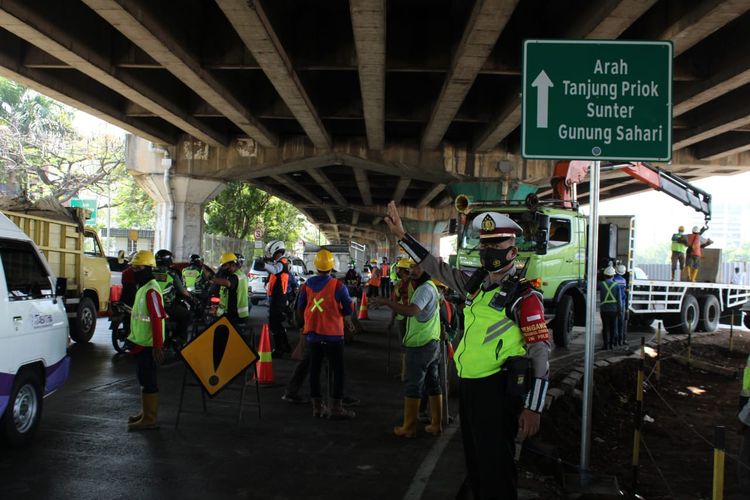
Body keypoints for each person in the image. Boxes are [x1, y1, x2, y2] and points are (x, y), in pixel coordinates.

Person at [384, 201, 550, 499]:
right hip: (471, 389)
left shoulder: (524, 297)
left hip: (498, 391)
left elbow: (540, 352)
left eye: (496, 243)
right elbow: (436, 267)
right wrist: (402, 236)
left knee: (496, 468)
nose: (489, 250)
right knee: (475, 465)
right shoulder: (476, 285)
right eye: (485, 244)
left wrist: (533, 406)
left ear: (513, 251)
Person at [373, 262, 443, 438]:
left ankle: (409, 427)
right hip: (431, 341)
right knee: (432, 383)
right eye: (410, 268)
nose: (412, 271)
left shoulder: (423, 289)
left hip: (420, 344)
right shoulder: (428, 287)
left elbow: (412, 311)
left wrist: (386, 302)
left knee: (413, 384)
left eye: (417, 267)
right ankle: (436, 424)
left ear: (427, 269)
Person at [298, 249, 356, 419]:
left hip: (313, 336)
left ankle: (317, 408)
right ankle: (336, 408)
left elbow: (301, 308)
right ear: (332, 267)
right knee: (337, 371)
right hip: (333, 336)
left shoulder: (306, 286)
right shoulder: (338, 286)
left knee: (314, 371)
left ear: (316, 267)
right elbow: (347, 308)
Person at [126, 250, 167, 431]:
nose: (134, 270)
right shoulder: (143, 288)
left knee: (148, 379)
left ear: (149, 268)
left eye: (138, 267)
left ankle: (150, 418)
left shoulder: (151, 290)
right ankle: (145, 412)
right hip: (141, 343)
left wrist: (158, 347)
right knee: (143, 378)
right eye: (133, 267)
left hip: (149, 345)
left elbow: (157, 318)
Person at [153, 249, 192, 346]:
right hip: (166, 306)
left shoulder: (150, 271)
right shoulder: (172, 274)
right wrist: (190, 296)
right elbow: (182, 291)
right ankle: (179, 338)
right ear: (168, 260)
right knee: (186, 315)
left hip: (151, 304)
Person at [211, 252, 250, 332]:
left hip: (236, 314)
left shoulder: (235, 276)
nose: (224, 269)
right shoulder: (235, 275)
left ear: (233, 264)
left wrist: (212, 279)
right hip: (232, 312)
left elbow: (228, 283)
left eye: (225, 266)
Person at [267, 256, 298, 356]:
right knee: (278, 323)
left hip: (281, 300)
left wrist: (290, 299)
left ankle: (280, 349)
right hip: (279, 299)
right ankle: (285, 347)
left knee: (275, 324)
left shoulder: (283, 271)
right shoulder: (277, 272)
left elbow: (294, 286)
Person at [598, 265, 623, 351]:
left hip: (604, 309)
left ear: (604, 275)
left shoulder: (601, 284)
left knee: (605, 327)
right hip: (614, 310)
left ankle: (605, 345)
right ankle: (611, 344)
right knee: (613, 328)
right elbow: (619, 300)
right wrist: (620, 311)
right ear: (613, 276)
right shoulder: (617, 286)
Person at [613, 264, 628, 348]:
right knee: (621, 322)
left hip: (615, 303)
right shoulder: (624, 281)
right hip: (622, 303)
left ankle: (615, 340)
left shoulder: (614, 280)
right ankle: (621, 340)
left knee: (615, 322)